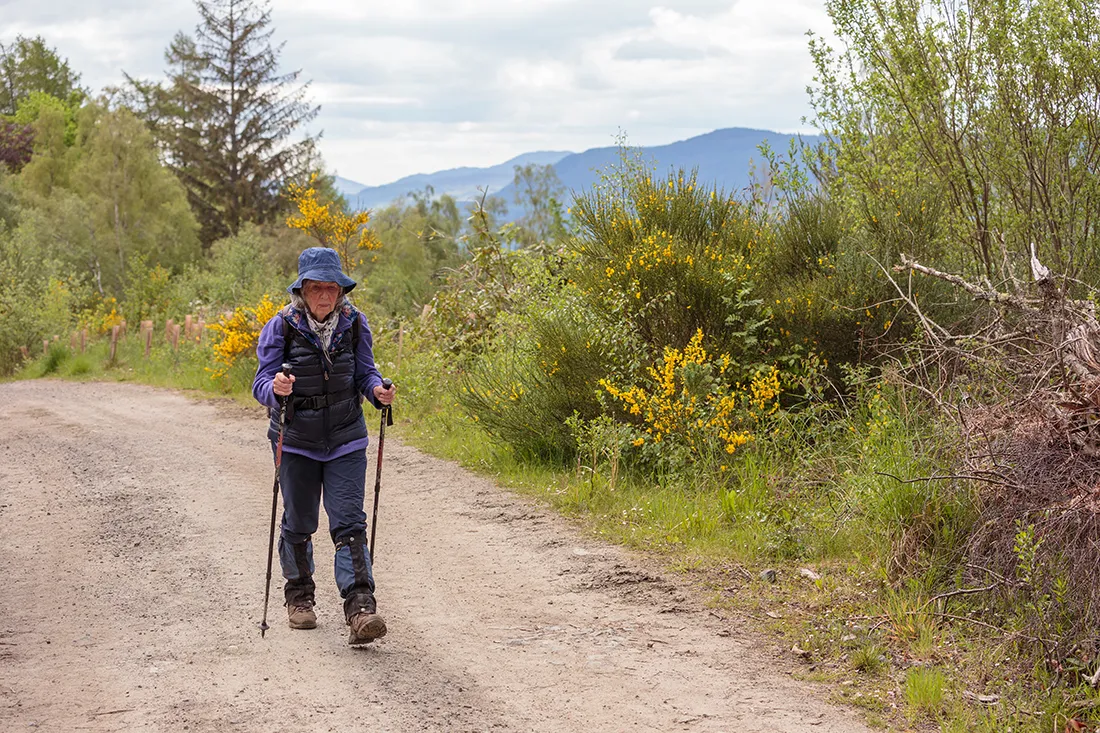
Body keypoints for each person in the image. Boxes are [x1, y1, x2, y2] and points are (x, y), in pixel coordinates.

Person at [252, 246, 396, 645]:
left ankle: (360, 608)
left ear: (340, 291)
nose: (325, 297)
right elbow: (260, 382)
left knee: (349, 522)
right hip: (295, 440)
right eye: (316, 288)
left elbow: (365, 371)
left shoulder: (354, 323)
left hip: (346, 438)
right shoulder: (280, 326)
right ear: (302, 290)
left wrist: (377, 391)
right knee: (299, 522)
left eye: (331, 288)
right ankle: (299, 598)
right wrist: (274, 388)